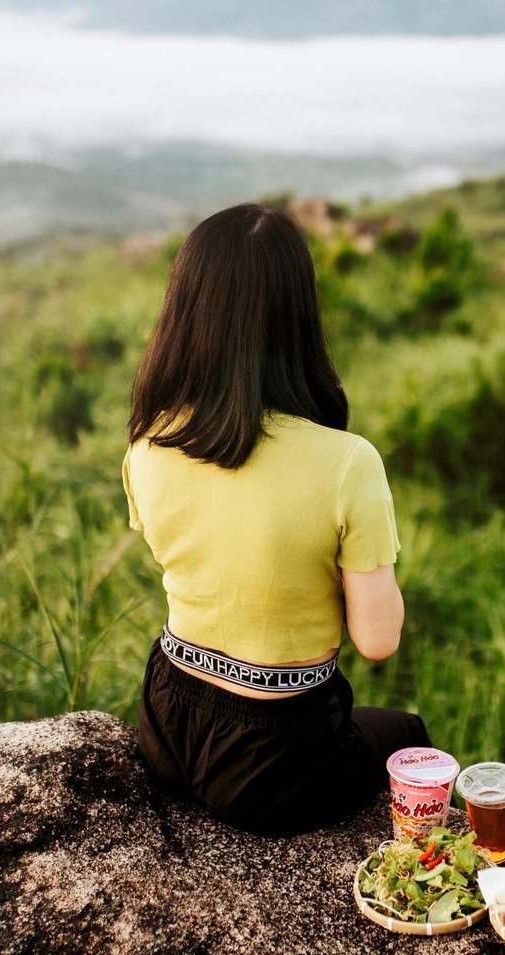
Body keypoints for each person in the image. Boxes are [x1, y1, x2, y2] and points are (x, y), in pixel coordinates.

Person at [123, 203, 429, 836]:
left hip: (165, 720)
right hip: (275, 758)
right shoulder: (346, 463)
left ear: (186, 310)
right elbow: (378, 642)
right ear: (298, 315)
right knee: (407, 733)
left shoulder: (148, 444)